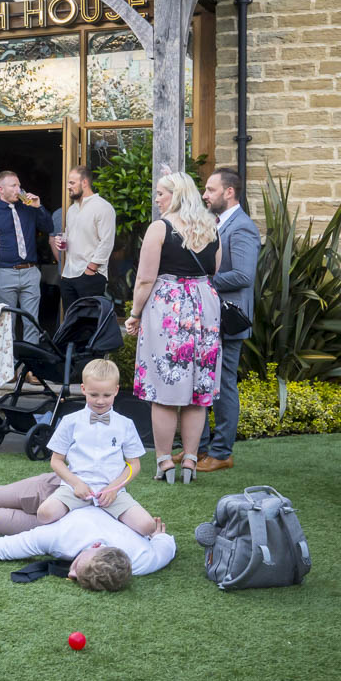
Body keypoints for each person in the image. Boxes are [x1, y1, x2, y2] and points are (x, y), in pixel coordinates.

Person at [125, 171, 221, 484]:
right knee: (197, 389)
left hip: (169, 307)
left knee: (164, 389)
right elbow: (213, 270)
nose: (157, 200)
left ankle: (165, 461)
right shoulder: (210, 226)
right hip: (205, 307)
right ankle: (191, 461)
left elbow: (144, 278)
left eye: (161, 194)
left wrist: (135, 313)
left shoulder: (161, 228)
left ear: (176, 195)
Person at [0, 508, 175, 591]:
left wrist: (160, 538)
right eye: (77, 568)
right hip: (56, 503)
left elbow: (167, 542)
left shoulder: (143, 561)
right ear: (95, 547)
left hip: (69, 515)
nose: (72, 575)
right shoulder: (62, 537)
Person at [36, 359, 154, 532]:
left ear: (116, 390)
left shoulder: (125, 424)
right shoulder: (71, 421)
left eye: (106, 395)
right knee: (45, 513)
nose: (100, 401)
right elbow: (56, 461)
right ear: (83, 389)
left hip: (113, 492)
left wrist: (114, 488)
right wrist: (76, 484)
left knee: (147, 526)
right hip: (75, 489)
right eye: (94, 395)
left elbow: (134, 464)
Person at [196, 167, 260, 473]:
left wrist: (203, 281)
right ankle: (204, 447)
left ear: (229, 192)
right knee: (210, 382)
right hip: (212, 317)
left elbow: (244, 275)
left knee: (224, 384)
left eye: (210, 190)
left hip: (229, 319)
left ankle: (221, 452)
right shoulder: (218, 223)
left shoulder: (242, 227)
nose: (205, 195)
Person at [0, 170, 52, 345]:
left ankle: (30, 369)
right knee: (7, 324)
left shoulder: (28, 208)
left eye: (19, 185)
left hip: (30, 271)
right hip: (4, 273)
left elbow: (48, 227)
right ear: (1, 189)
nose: (19, 189)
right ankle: (11, 367)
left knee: (32, 322)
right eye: (14, 186)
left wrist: (38, 207)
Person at [58, 166, 114, 311]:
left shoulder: (103, 207)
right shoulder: (72, 210)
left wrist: (90, 269)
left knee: (90, 323)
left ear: (84, 182)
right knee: (72, 323)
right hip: (68, 275)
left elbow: (106, 242)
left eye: (72, 183)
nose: (68, 187)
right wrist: (62, 243)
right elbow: (71, 237)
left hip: (90, 275)